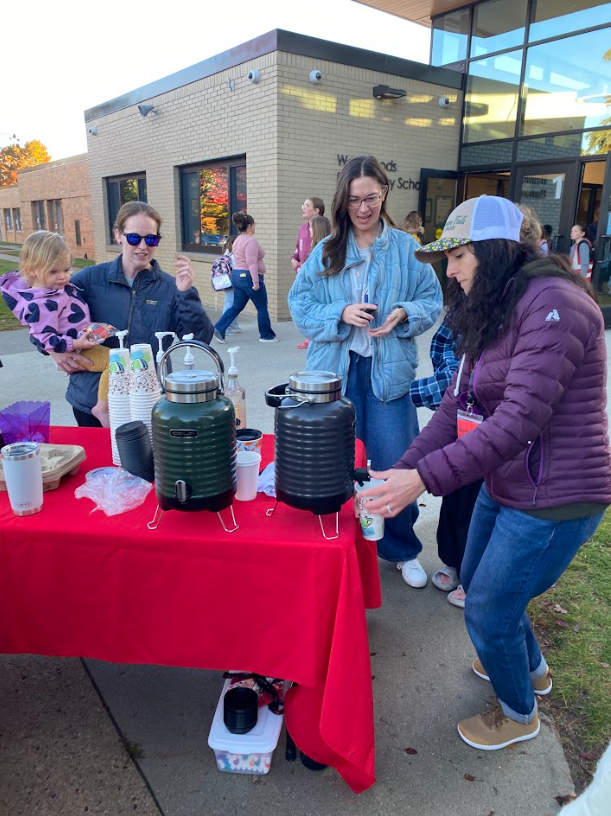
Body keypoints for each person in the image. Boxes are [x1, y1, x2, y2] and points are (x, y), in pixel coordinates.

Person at [359, 195, 610, 749]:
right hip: (510, 481)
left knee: (491, 608)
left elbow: (520, 419)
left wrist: (422, 481)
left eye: (459, 255)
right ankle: (532, 668)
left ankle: (519, 714)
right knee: (477, 582)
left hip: (554, 495)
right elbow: (456, 409)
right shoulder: (493, 307)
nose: (449, 270)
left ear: (495, 252)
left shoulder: (554, 304)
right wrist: (399, 473)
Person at [289, 155, 442, 588]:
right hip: (335, 371)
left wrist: (403, 312)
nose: (362, 208)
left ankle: (400, 548)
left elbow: (432, 301)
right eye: (354, 199)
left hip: (388, 369)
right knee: (336, 461)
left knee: (394, 461)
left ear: (384, 193)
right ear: (343, 199)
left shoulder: (407, 248)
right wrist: (341, 311)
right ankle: (337, 543)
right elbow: (300, 307)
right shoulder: (326, 251)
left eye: (370, 197)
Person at [40, 201, 213, 427]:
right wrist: (54, 351)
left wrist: (186, 294)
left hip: (147, 401)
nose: (143, 246)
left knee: (148, 463)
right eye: (134, 238)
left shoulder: (172, 288)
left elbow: (200, 338)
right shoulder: (89, 280)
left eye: (151, 239)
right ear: (118, 235)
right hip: (91, 400)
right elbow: (43, 314)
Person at [0, 231, 111, 427]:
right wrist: (76, 342)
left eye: (67, 269)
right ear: (32, 269)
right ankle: (102, 407)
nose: (63, 276)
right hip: (76, 349)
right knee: (118, 362)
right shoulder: (40, 303)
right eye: (54, 271)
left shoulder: (54, 289)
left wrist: (94, 329)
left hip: (81, 341)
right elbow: (45, 338)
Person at [409, 319, 482, 608]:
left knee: (480, 507)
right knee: (456, 497)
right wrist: (454, 371)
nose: (449, 271)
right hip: (463, 425)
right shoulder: (465, 307)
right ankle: (452, 561)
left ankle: (473, 575)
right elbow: (443, 344)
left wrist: (404, 395)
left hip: (496, 434)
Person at [214, 211, 278, 344]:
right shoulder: (251, 241)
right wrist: (255, 282)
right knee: (261, 307)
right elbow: (251, 262)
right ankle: (266, 335)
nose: (255, 227)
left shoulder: (237, 240)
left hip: (237, 276)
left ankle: (219, 328)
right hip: (249, 276)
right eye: (254, 224)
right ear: (249, 226)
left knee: (236, 306)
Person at [296, 216, 332, 350]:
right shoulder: (317, 249)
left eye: (311, 227)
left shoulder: (322, 251)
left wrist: (299, 269)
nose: (308, 230)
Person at [291, 197, 325, 275]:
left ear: (316, 210)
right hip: (303, 275)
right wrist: (294, 259)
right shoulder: (302, 228)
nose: (303, 208)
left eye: (307, 205)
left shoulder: (326, 228)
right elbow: (298, 249)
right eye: (303, 205)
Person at [221, 236, 241, 335]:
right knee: (229, 303)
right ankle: (226, 327)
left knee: (233, 303)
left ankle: (233, 325)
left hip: (229, 281)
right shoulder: (232, 255)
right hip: (232, 282)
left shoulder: (227, 254)